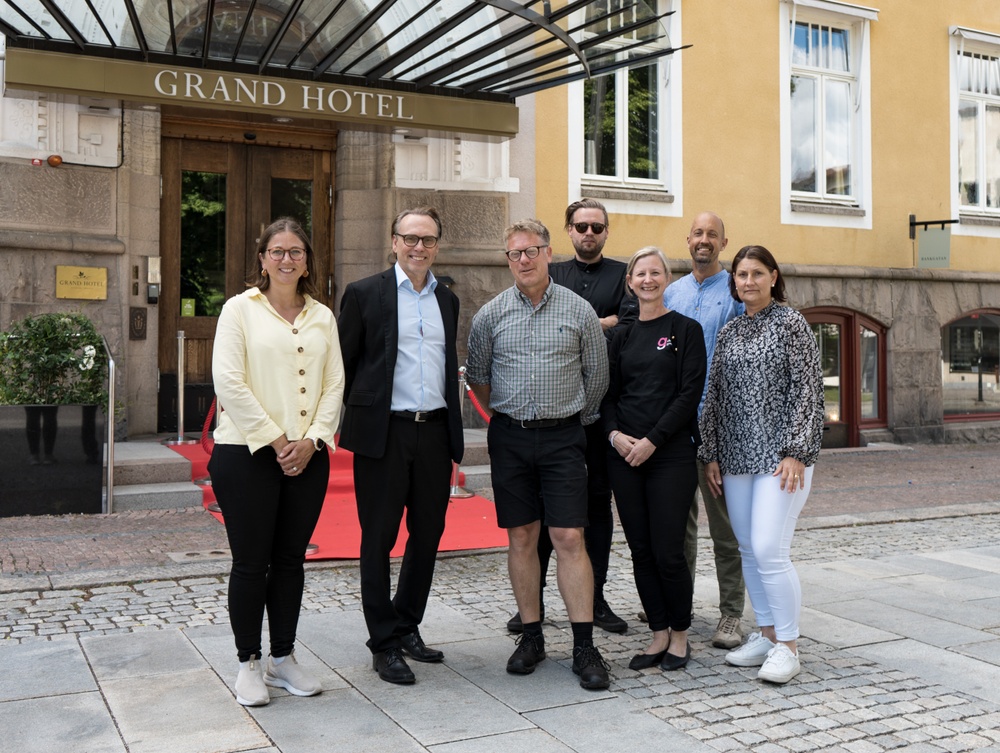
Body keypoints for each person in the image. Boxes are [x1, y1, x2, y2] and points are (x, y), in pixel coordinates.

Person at [466, 218, 612, 690]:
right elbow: (480, 382)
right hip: (509, 438)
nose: (524, 260)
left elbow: (598, 378)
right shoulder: (489, 315)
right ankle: (531, 637)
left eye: (532, 251)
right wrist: (511, 417)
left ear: (549, 253)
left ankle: (584, 645)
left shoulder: (580, 311)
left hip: (564, 437)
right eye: (515, 254)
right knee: (521, 536)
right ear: (507, 260)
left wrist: (567, 419)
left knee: (569, 536)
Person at [209, 217, 345, 706]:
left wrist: (311, 440)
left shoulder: (323, 316)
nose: (287, 259)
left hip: (308, 457)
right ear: (262, 259)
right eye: (277, 251)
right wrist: (276, 439)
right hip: (245, 455)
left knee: (290, 561)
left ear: (307, 260)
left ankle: (282, 658)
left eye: (297, 251)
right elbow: (228, 381)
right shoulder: (238, 310)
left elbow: (334, 385)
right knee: (251, 563)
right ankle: (248, 663)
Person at [338, 206, 464, 685]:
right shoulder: (364, 293)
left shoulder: (446, 300)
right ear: (394, 241)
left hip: (433, 431)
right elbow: (343, 367)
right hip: (384, 435)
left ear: (436, 246)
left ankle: (407, 624)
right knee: (379, 539)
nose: (418, 248)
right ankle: (383, 643)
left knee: (427, 535)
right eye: (410, 238)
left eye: (427, 240)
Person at [504, 198, 632, 635]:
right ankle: (531, 605)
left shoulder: (622, 275)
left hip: (596, 413)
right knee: (534, 514)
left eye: (597, 226)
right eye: (581, 226)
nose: (589, 233)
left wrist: (587, 322)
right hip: (548, 415)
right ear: (567, 233)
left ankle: (595, 601)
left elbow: (631, 322)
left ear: (606, 231)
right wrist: (600, 322)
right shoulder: (549, 272)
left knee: (594, 509)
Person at [699, 244, 824, 685]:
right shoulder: (732, 332)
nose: (747, 281)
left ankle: (788, 647)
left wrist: (795, 450)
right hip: (735, 457)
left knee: (770, 548)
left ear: (773, 276)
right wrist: (710, 453)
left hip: (781, 459)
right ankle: (768, 635)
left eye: (756, 273)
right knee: (748, 548)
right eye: (740, 274)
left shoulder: (792, 324)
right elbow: (714, 397)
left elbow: (808, 391)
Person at [602, 247, 706, 672]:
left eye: (655, 272)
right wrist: (614, 436)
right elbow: (606, 395)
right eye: (640, 273)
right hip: (625, 456)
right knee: (641, 550)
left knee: (668, 551)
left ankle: (680, 635)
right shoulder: (621, 335)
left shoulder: (686, 330)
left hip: (670, 456)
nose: (647, 279)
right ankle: (658, 632)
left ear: (667, 278)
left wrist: (652, 441)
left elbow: (688, 395)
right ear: (630, 282)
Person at [662, 211, 748, 650]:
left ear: (723, 242)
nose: (704, 240)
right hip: (678, 426)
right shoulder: (672, 291)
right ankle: (680, 602)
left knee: (724, 528)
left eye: (712, 234)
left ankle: (732, 613)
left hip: (719, 427)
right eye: (698, 233)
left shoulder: (734, 291)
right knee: (678, 525)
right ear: (688, 238)